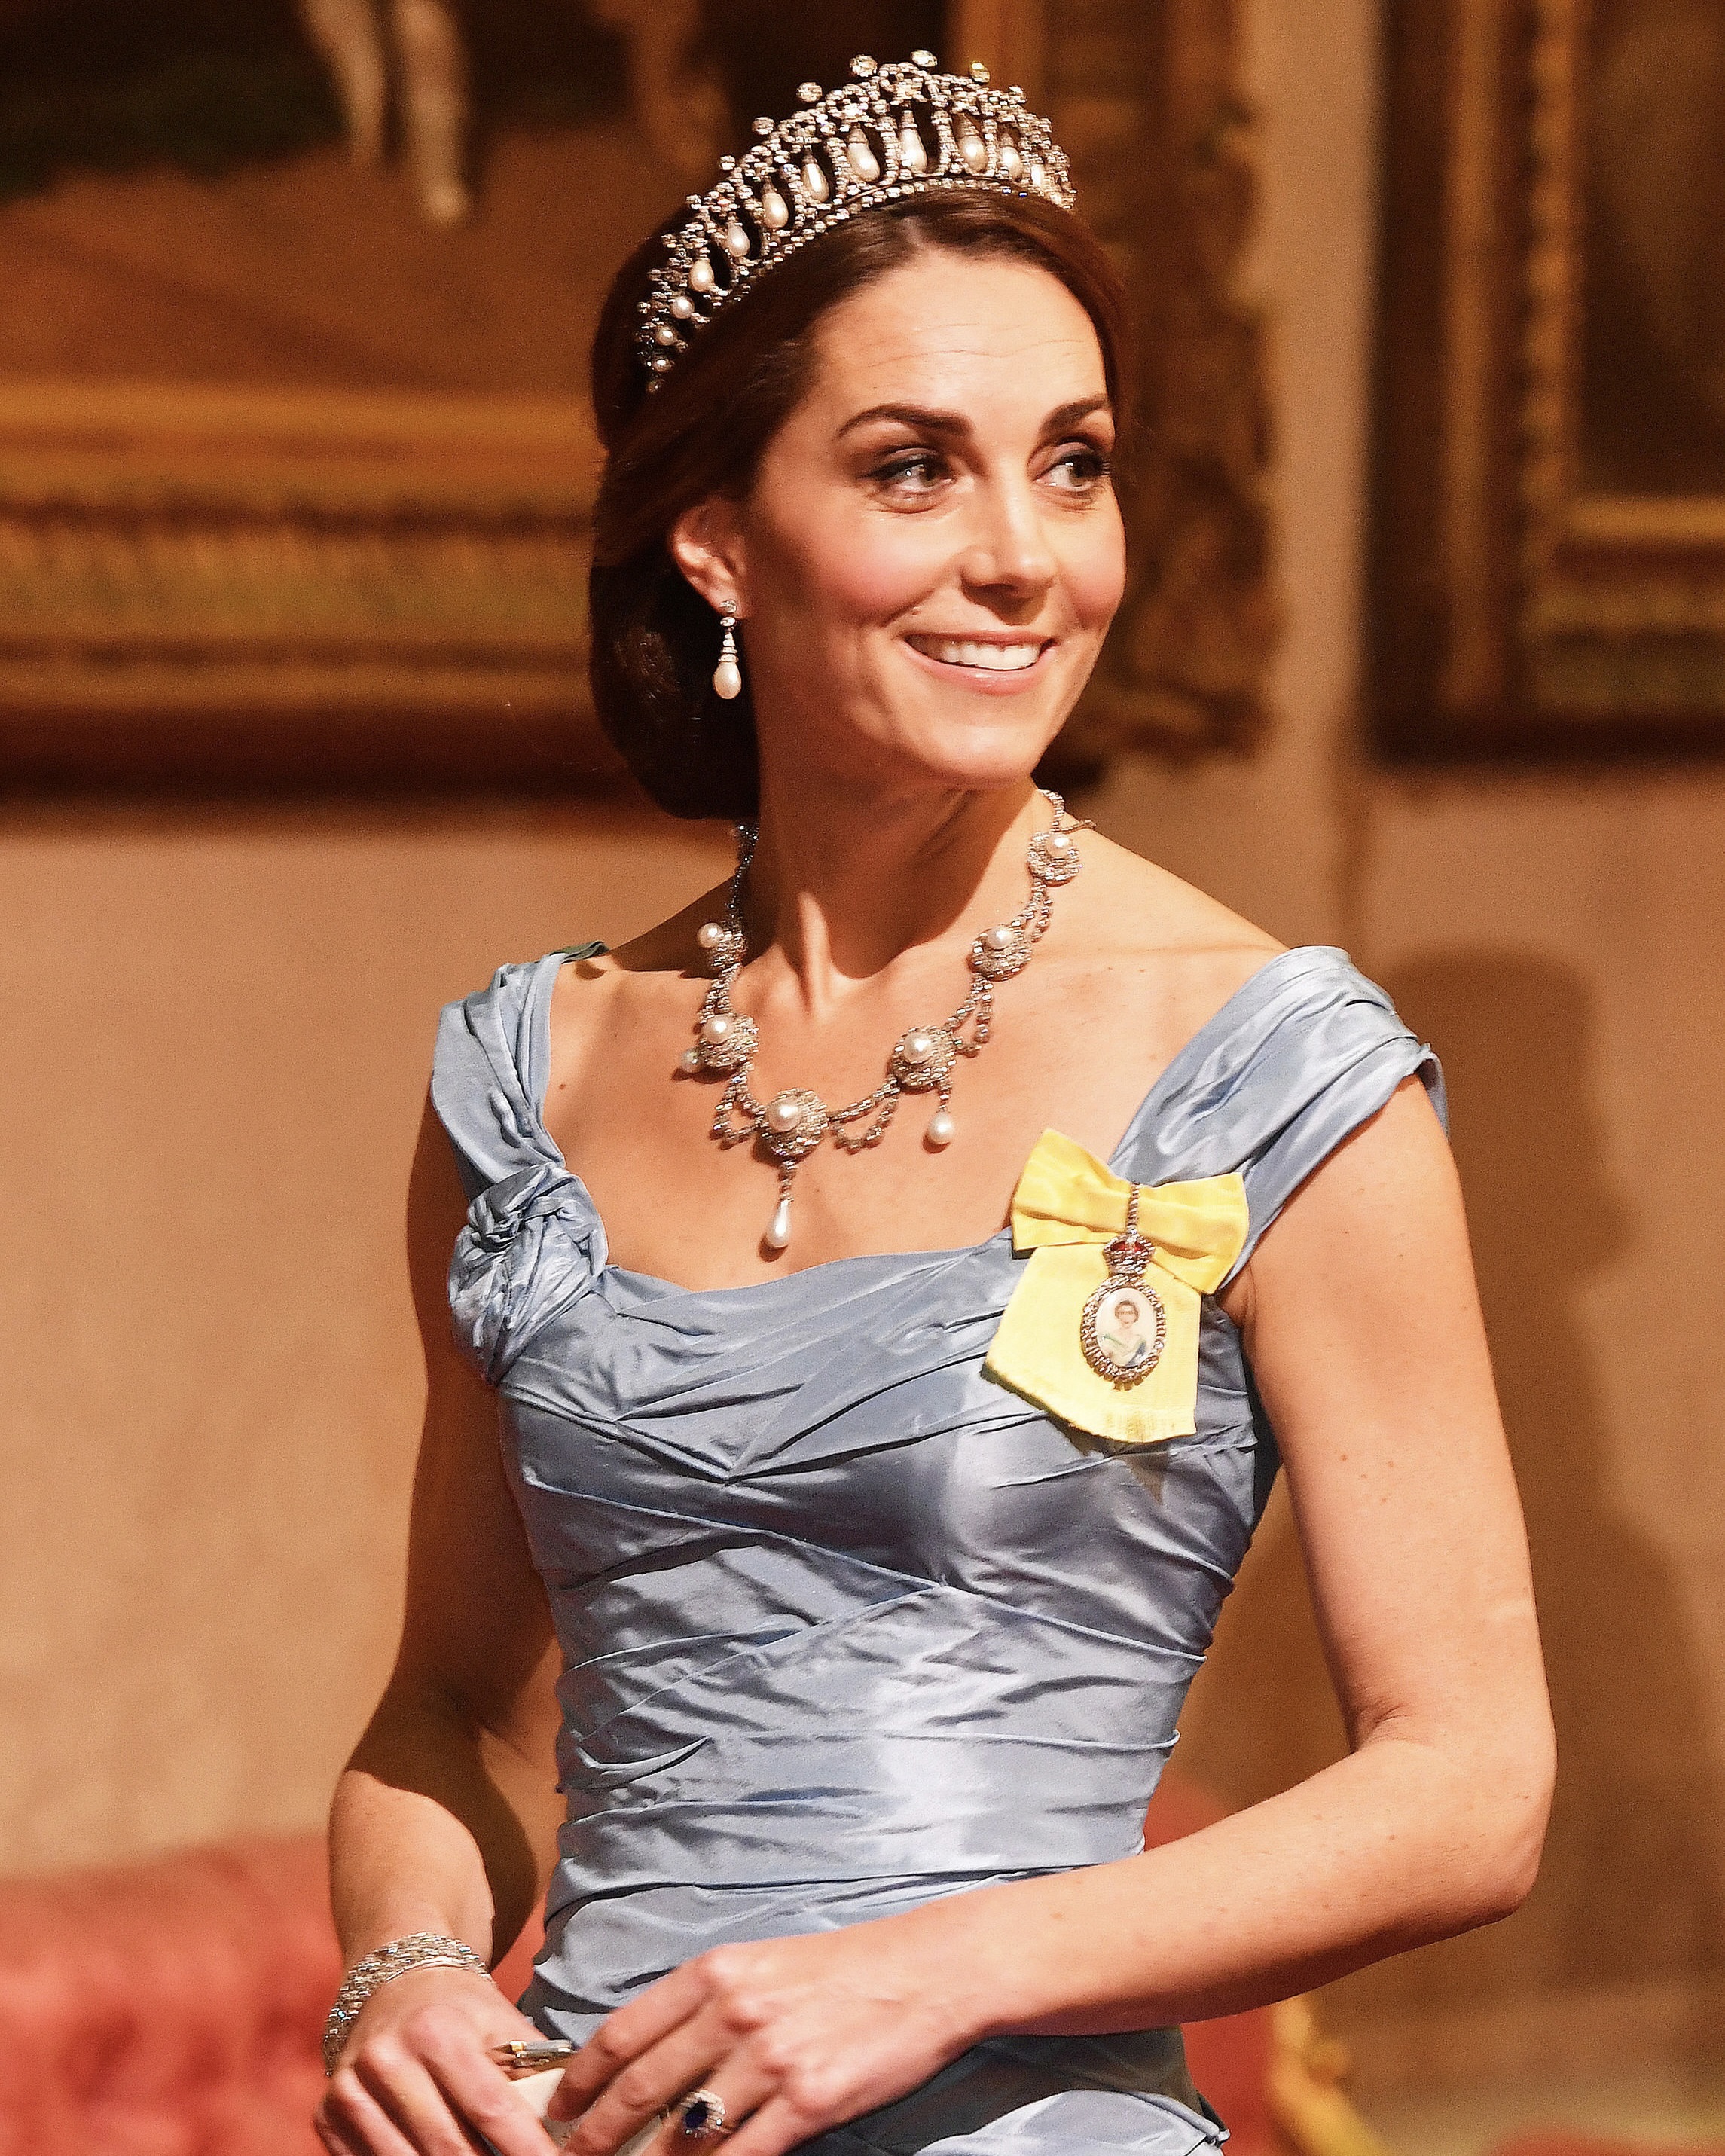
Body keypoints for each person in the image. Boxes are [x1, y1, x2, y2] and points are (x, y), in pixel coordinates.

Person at [315, 54, 1554, 2156]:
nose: (1021, 558)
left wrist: (933, 1969)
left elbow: (1470, 1785)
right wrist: (413, 1968)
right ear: (715, 538)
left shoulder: (1274, 1068)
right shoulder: (525, 1082)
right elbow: (453, 1711)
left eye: (1071, 468)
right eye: (913, 469)